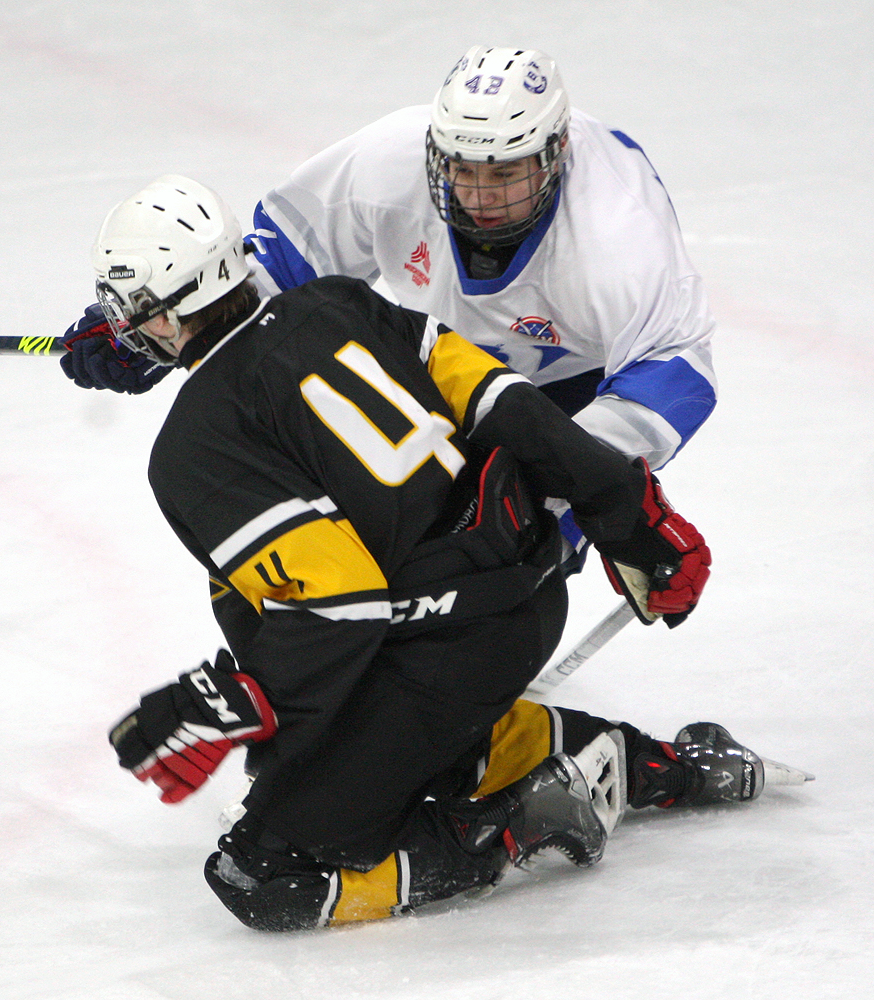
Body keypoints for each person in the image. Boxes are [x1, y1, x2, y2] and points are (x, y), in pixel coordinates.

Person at [90, 174, 796, 932]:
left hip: (439, 652)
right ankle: (649, 765)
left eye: (125, 308)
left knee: (262, 874)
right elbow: (507, 404)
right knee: (358, 749)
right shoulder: (339, 302)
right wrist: (626, 513)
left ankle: (520, 823)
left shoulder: (193, 446)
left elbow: (342, 604)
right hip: (529, 584)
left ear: (162, 315)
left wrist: (240, 698)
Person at [62, 46, 717, 557]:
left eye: (504, 173)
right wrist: (162, 328)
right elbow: (280, 262)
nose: (478, 195)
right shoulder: (388, 162)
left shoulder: (614, 235)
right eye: (462, 168)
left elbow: (676, 369)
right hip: (439, 360)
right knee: (394, 509)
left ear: (556, 152)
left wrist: (590, 489)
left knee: (514, 542)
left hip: (572, 380)